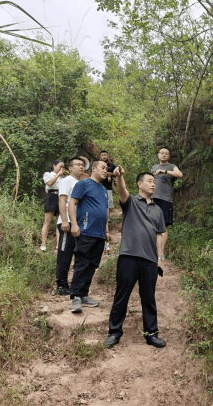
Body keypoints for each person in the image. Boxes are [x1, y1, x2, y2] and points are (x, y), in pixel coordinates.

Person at [103, 166, 167, 349]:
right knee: (121, 296)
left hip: (150, 260)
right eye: (149, 181)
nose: (153, 184)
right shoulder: (131, 202)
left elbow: (160, 234)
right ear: (139, 184)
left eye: (154, 182)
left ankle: (151, 334)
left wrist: (160, 258)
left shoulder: (158, 210)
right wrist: (120, 177)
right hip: (128, 256)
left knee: (149, 298)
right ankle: (114, 333)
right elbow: (122, 191)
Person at [68, 161, 110, 313]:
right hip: (85, 230)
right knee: (82, 263)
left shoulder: (104, 190)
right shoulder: (83, 184)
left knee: (93, 265)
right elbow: (72, 203)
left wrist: (106, 231)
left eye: (107, 169)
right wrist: (74, 224)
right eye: (103, 168)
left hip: (99, 233)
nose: (105, 171)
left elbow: (105, 211)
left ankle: (84, 294)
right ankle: (76, 297)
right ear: (94, 168)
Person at [54, 156, 87, 295]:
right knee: (64, 254)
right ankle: (61, 285)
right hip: (66, 223)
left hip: (77, 224)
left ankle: (72, 285)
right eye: (78, 164)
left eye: (82, 165)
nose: (81, 167)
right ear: (70, 168)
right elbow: (62, 201)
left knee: (77, 254)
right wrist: (65, 220)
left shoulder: (80, 182)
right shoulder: (67, 181)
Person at [151, 147, 183, 259]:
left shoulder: (171, 166)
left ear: (169, 156)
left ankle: (161, 253)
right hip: (153, 199)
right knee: (152, 225)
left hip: (165, 200)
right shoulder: (153, 167)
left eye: (166, 154)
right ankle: (152, 251)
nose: (164, 155)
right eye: (162, 153)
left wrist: (164, 171)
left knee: (163, 226)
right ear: (158, 155)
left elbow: (180, 175)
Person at [41, 160, 65, 251]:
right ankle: (43, 244)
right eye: (60, 166)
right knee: (48, 221)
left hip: (61, 197)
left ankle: (58, 245)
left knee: (59, 222)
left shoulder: (64, 178)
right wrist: (58, 174)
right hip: (51, 196)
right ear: (54, 165)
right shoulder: (48, 174)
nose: (62, 168)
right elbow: (50, 183)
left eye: (63, 167)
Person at [100, 150, 116, 252]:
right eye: (102, 155)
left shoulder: (112, 165)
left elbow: (116, 174)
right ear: (100, 156)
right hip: (100, 187)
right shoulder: (98, 164)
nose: (104, 156)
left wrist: (111, 174)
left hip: (109, 188)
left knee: (109, 205)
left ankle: (107, 219)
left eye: (105, 154)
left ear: (108, 156)